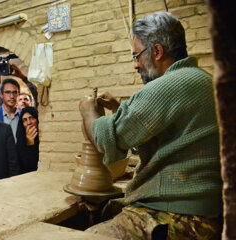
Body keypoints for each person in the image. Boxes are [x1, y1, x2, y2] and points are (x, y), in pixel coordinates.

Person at [80, 12, 222, 239]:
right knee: (109, 209)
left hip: (179, 216)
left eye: (137, 55)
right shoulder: (202, 80)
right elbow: (158, 136)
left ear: (157, 51)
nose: (136, 65)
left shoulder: (169, 85)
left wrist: (87, 111)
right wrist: (120, 109)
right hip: (204, 212)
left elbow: (103, 141)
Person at [16, 107, 39, 173]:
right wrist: (30, 144)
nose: (29, 122)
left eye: (31, 118)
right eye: (25, 120)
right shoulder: (20, 142)